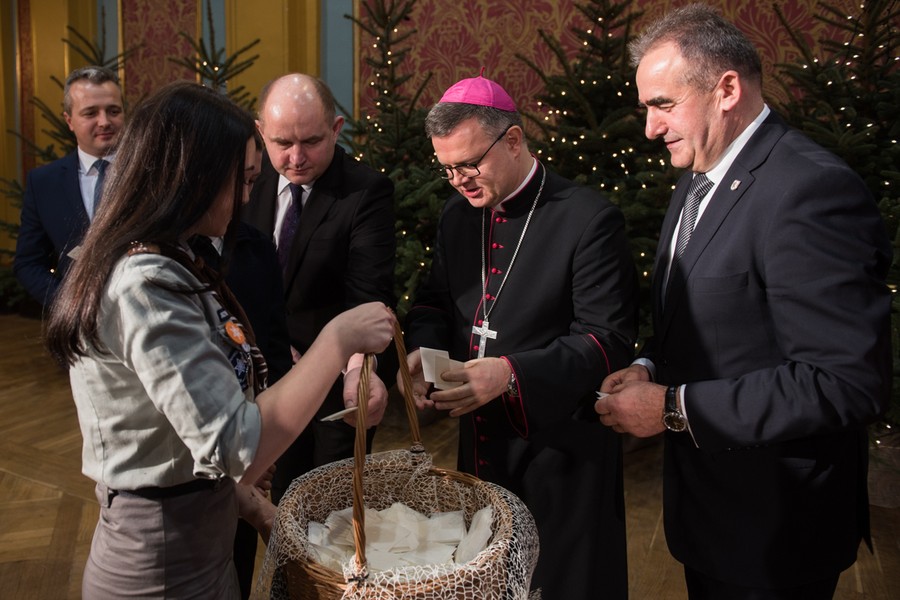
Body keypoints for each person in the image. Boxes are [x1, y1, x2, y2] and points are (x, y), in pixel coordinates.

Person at [44, 81, 395, 598]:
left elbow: (188, 425)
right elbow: (236, 446)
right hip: (160, 562)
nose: (247, 200)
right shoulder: (145, 285)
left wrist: (251, 505)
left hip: (201, 541)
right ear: (196, 180)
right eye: (244, 182)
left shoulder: (175, 259)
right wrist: (336, 340)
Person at [596, 4, 892, 599]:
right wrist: (650, 365)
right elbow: (703, 316)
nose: (649, 128)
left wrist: (672, 408)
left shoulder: (810, 189)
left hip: (776, 530)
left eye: (662, 104)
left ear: (726, 88)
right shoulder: (697, 175)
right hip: (710, 514)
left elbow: (843, 381)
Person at [400, 72, 638, 599]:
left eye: (469, 163)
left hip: (560, 451)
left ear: (512, 140)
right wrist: (425, 351)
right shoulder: (458, 217)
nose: (460, 181)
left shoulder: (588, 219)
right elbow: (434, 301)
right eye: (447, 169)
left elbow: (609, 339)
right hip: (481, 444)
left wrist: (511, 373)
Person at [246, 73, 396, 503]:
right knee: (279, 501)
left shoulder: (365, 192)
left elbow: (367, 296)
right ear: (260, 132)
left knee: (331, 508)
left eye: (311, 141)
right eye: (281, 143)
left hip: (336, 382)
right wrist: (268, 346)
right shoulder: (245, 182)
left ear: (335, 129)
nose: (295, 158)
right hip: (260, 377)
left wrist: (354, 371)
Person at [14, 65, 124, 307]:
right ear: (69, 121)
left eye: (113, 111)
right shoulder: (43, 183)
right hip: (77, 329)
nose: (104, 121)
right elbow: (28, 262)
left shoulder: (153, 173)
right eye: (90, 113)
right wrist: (68, 306)